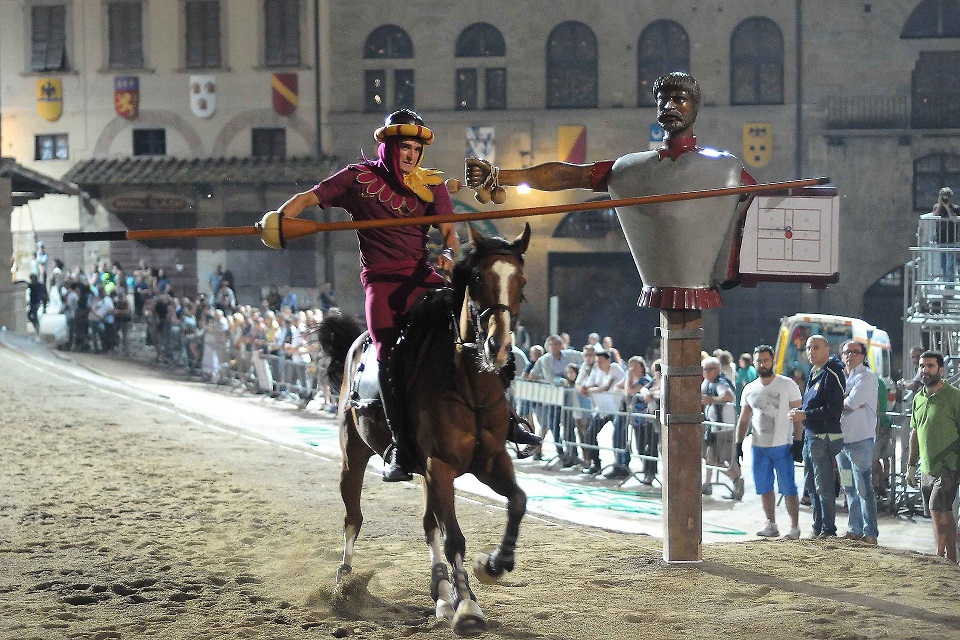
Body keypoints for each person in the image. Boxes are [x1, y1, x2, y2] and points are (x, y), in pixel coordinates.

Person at [274, 109, 537, 481]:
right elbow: (310, 197)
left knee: (477, 334)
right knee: (389, 360)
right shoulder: (357, 179)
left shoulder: (432, 184)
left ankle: (508, 420)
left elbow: (449, 236)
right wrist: (280, 219)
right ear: (389, 146)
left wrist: (448, 254)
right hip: (382, 287)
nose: (411, 154)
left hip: (423, 279)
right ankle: (398, 445)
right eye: (404, 147)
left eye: (416, 148)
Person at [466, 71, 756, 304]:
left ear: (695, 106)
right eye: (663, 100)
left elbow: (761, 206)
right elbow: (569, 176)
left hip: (701, 286)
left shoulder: (724, 169)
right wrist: (501, 175)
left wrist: (733, 264)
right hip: (659, 285)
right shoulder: (630, 168)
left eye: (679, 99)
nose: (669, 106)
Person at [736, 344, 803, 539]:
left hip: (783, 445)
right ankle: (771, 524)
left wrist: (798, 441)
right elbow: (744, 418)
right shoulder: (750, 388)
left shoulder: (788, 385)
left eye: (765, 360)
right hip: (759, 447)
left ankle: (795, 526)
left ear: (772, 360)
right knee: (764, 487)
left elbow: (798, 415)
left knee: (788, 486)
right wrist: (738, 443)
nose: (762, 364)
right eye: (759, 360)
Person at [789, 335, 846, 539]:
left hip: (825, 436)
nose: (811, 352)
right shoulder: (815, 372)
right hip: (811, 435)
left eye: (816, 347)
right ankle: (817, 526)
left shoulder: (833, 373)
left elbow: (834, 409)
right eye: (808, 348)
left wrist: (805, 415)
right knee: (811, 485)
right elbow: (813, 403)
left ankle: (828, 529)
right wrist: (801, 412)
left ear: (827, 349)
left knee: (824, 485)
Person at [907, 350, 960, 564]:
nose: (924, 370)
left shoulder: (954, 396)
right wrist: (911, 465)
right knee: (942, 511)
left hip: (949, 464)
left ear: (940, 369)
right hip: (926, 467)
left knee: (936, 509)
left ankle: (939, 556)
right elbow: (914, 433)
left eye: (930, 366)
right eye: (921, 366)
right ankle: (952, 557)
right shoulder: (919, 398)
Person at [836, 340, 880, 545]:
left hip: (860, 440)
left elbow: (849, 404)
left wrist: (837, 401)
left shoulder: (868, 377)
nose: (850, 355)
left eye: (855, 352)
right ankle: (854, 528)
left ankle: (870, 532)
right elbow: (846, 403)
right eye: (847, 352)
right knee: (848, 487)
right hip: (841, 442)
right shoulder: (841, 378)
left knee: (864, 488)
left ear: (863, 356)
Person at [580, 349, 626, 475]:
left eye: (601, 361)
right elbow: (586, 387)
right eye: (597, 361)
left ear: (608, 361)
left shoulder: (615, 368)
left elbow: (606, 386)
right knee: (590, 434)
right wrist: (590, 388)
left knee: (618, 438)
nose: (599, 363)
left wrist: (592, 389)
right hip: (602, 409)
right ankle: (596, 464)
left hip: (618, 408)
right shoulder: (595, 370)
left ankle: (621, 466)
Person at [701, 356, 742, 498]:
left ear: (717, 370)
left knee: (727, 458)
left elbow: (728, 396)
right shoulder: (708, 382)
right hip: (713, 427)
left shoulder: (721, 382)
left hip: (724, 428)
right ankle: (708, 484)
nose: (705, 372)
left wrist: (711, 399)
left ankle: (737, 482)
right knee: (711, 459)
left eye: (709, 369)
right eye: (704, 370)